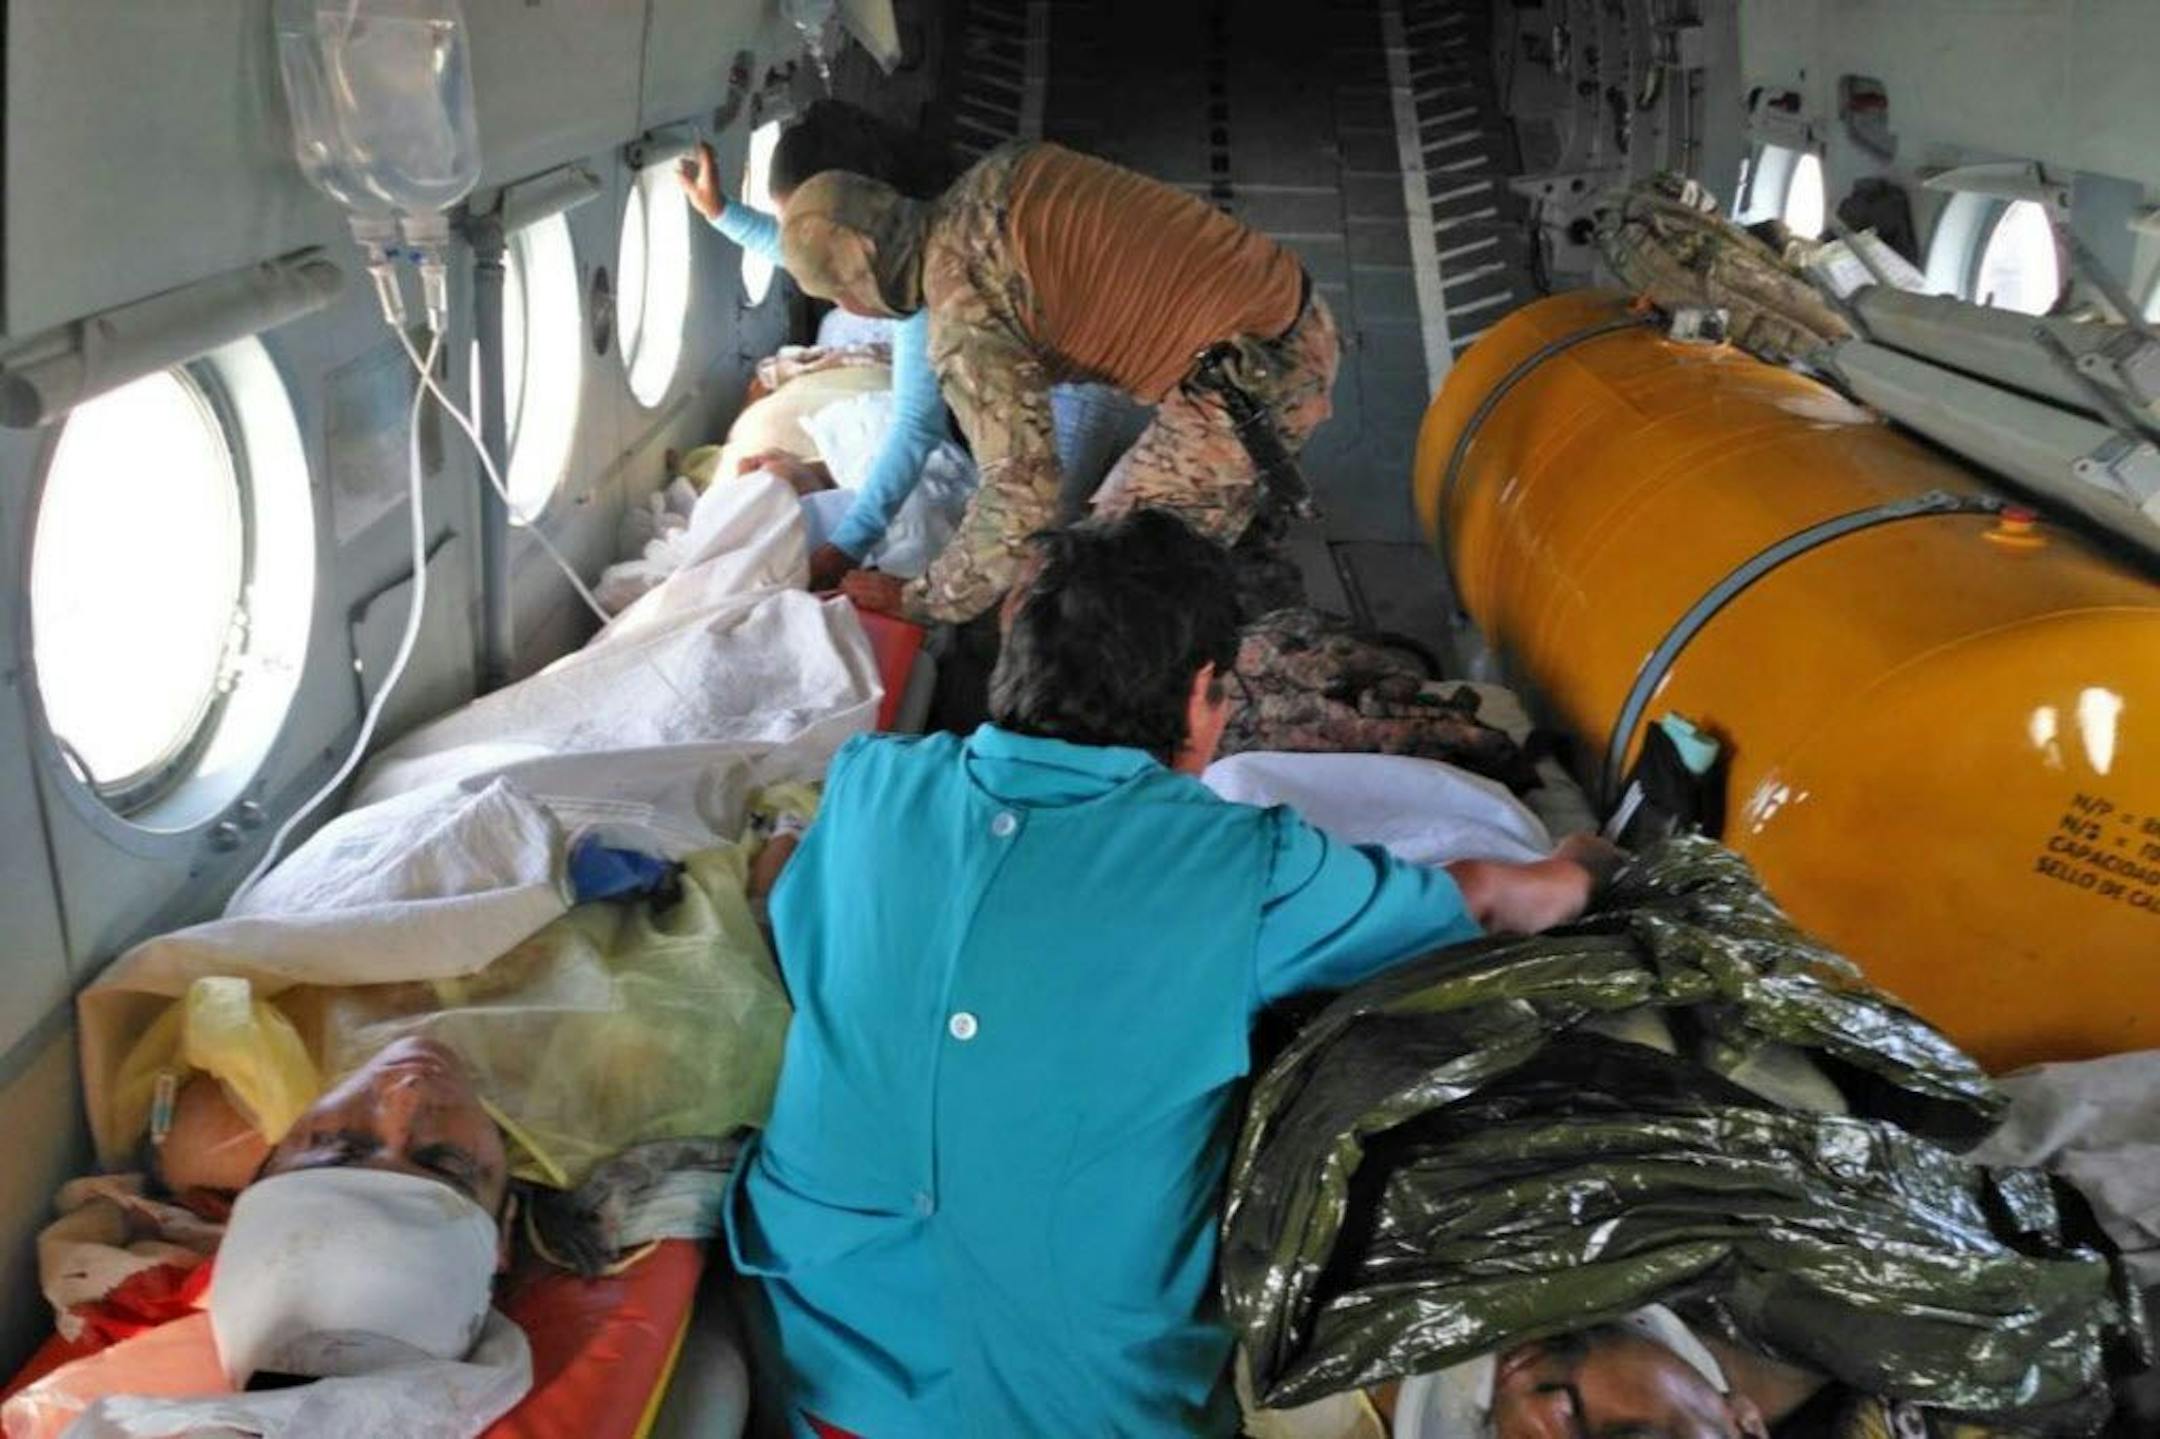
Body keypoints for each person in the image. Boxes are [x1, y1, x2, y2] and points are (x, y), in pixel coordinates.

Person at [725, 510, 1613, 1437]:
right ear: (1202, 693)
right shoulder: (1245, 864)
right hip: (1077, 1397)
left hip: (816, 1344)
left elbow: (792, 905)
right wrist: (1587, 862)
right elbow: (1481, 903)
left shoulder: (872, 781)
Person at [776, 141, 1341, 627]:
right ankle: (1231, 531)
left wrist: (923, 600)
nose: (847, 309)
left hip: (1256, 378)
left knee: (1089, 587)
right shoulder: (1000, 170)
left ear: (865, 278)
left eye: (839, 295)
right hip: (1283, 297)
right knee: (1132, 530)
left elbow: (1022, 494)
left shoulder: (963, 312)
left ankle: (1241, 668)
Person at [679, 100, 952, 591]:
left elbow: (915, 427)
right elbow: (803, 250)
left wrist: (844, 550)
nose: (828, 291)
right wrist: (723, 214)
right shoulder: (904, 237)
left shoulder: (930, 280)